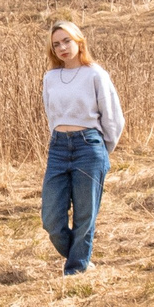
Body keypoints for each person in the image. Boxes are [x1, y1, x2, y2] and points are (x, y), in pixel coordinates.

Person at [39, 20, 125, 275]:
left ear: (79, 41)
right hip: (58, 148)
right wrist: (59, 141)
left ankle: (75, 271)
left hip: (89, 146)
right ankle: (81, 257)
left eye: (67, 41)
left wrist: (101, 150)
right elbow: (51, 115)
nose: (62, 47)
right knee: (51, 219)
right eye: (56, 44)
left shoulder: (95, 73)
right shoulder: (50, 77)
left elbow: (113, 117)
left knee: (84, 216)